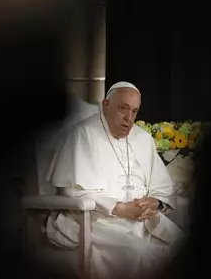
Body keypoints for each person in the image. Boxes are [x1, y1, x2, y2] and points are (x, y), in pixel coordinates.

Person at [46, 81, 184, 279]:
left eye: (135, 111)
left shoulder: (143, 139)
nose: (129, 119)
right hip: (99, 223)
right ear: (105, 104)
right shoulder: (83, 134)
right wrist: (119, 208)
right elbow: (73, 192)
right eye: (123, 109)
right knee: (140, 255)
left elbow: (161, 187)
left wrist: (155, 202)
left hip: (143, 222)